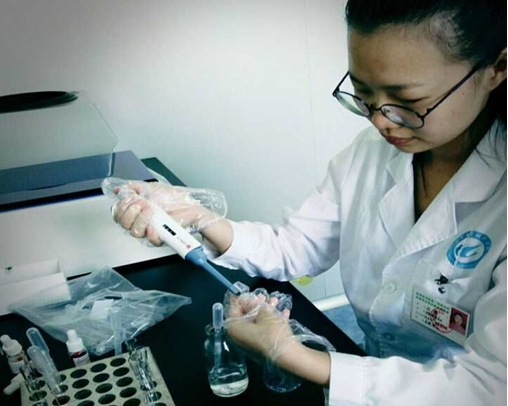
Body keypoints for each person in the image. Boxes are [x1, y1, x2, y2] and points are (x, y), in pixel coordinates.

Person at [112, 1, 506, 404]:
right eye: (364, 94)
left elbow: (490, 385)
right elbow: (297, 247)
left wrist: (293, 355)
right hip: (367, 367)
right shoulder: (373, 151)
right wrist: (197, 217)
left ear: (496, 68)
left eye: (406, 99)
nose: (380, 121)